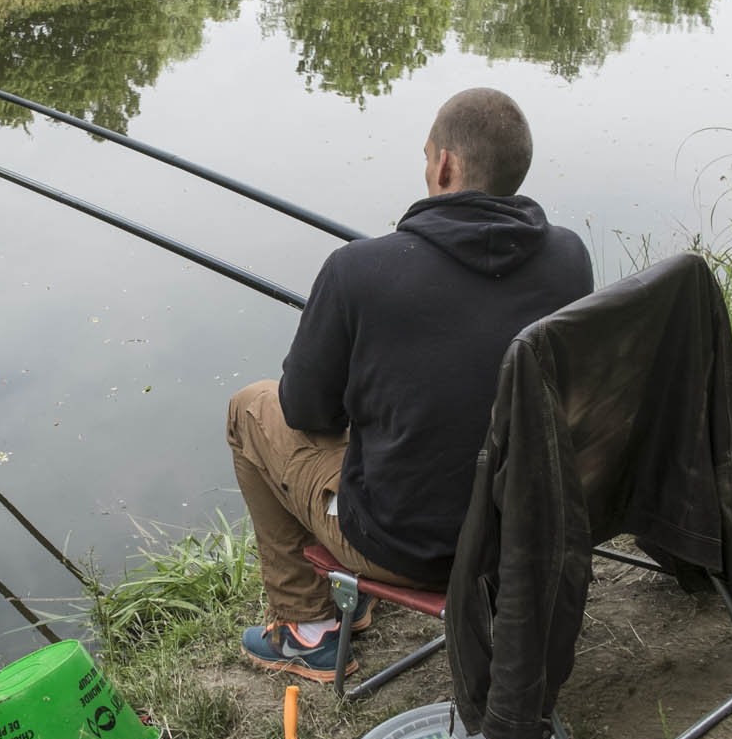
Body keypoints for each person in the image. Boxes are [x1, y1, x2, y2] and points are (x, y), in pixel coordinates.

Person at [226, 88, 594, 681]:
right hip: (529, 525)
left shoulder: (356, 271)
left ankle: (307, 627)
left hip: (412, 547)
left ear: (444, 165)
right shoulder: (570, 257)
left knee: (249, 410)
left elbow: (304, 412)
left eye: (427, 156)